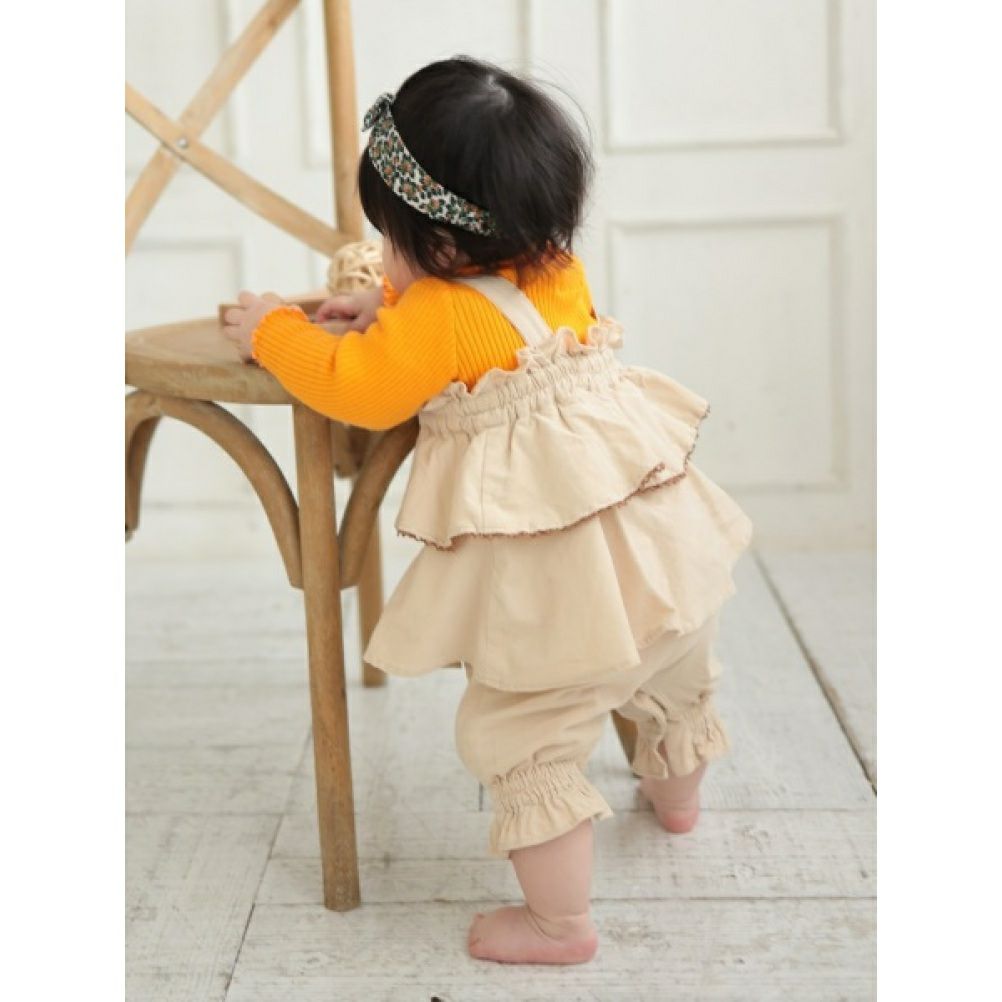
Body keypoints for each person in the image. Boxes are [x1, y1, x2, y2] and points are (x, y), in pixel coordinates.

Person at [223, 56, 753, 966]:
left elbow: (358, 388)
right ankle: (678, 802)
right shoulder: (557, 268)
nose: (386, 256)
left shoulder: (435, 320)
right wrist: (386, 300)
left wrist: (274, 330)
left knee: (520, 733)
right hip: (660, 552)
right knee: (673, 678)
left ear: (437, 249)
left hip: (566, 589)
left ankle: (559, 925)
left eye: (389, 239)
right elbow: (482, 313)